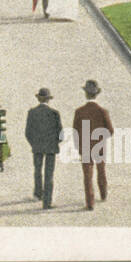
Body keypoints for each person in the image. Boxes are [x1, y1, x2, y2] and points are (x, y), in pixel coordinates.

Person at [71, 80, 113, 210]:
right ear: (96, 95)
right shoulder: (102, 111)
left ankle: (90, 203)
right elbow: (110, 130)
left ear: (86, 94)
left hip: (85, 147)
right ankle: (103, 194)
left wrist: (79, 147)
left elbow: (75, 131)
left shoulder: (79, 111)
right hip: (99, 146)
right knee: (101, 171)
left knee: (87, 176)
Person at [24, 88, 62, 209]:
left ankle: (37, 193)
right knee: (49, 174)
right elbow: (60, 133)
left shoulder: (32, 112)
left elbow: (28, 132)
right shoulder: (54, 113)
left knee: (37, 170)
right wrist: (56, 142)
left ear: (38, 98)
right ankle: (47, 202)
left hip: (37, 146)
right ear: (48, 99)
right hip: (51, 146)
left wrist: (33, 143)